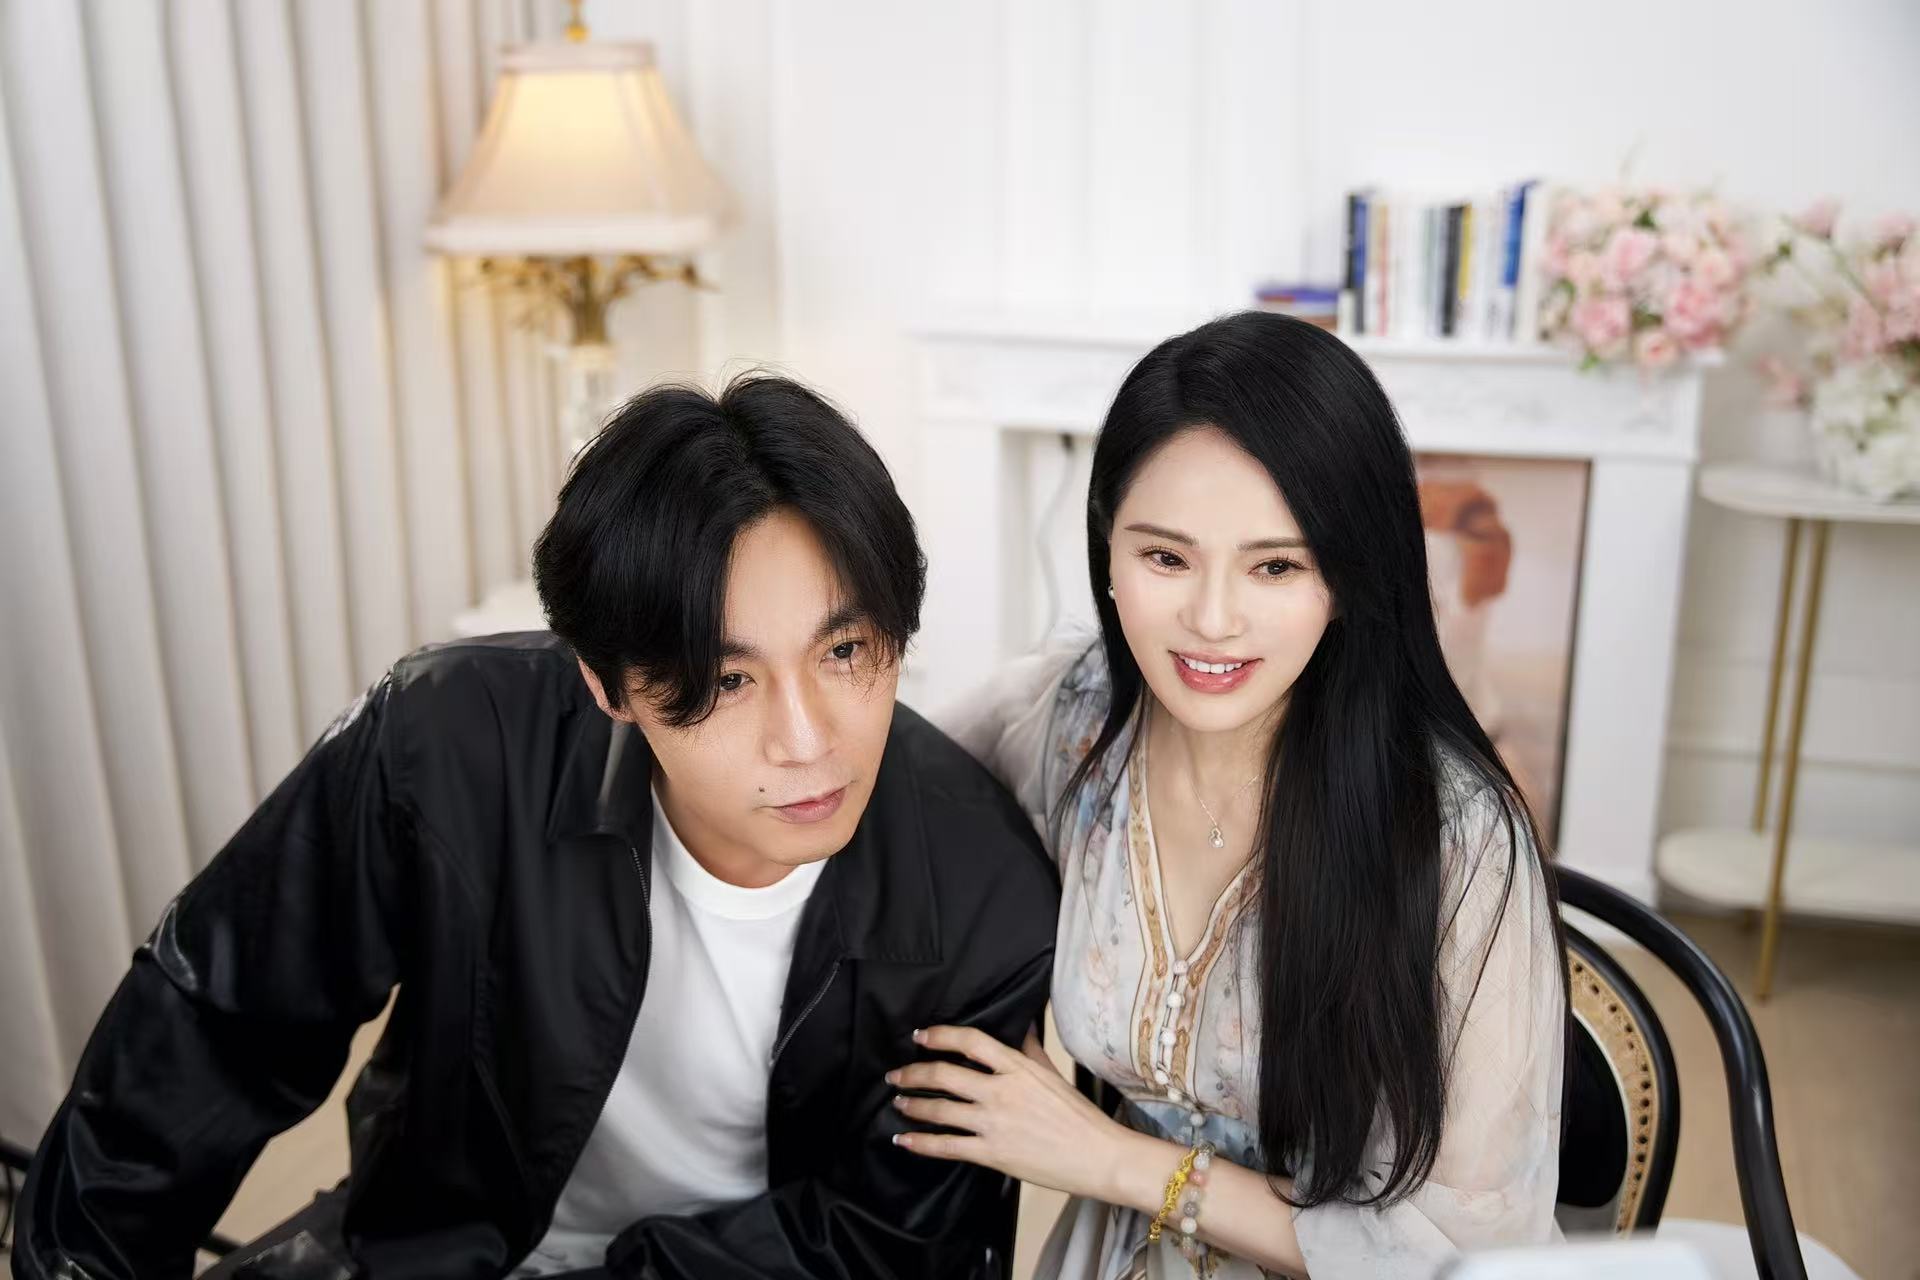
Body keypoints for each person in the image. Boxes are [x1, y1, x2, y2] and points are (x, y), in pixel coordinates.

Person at [15, 375, 1058, 1280]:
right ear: (607, 683)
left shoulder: (988, 902)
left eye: (845, 651)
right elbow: (219, 1022)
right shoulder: (448, 741)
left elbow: (867, 1246)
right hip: (427, 1250)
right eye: (728, 679)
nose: (808, 738)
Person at [902, 312, 1567, 1278]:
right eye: (1166, 558)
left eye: (1276, 566)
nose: (1212, 621)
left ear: (1348, 577)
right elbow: (880, 788)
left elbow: (1470, 1253)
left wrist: (1109, 1158)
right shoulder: (1070, 719)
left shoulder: (1459, 839)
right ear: (1107, 550)